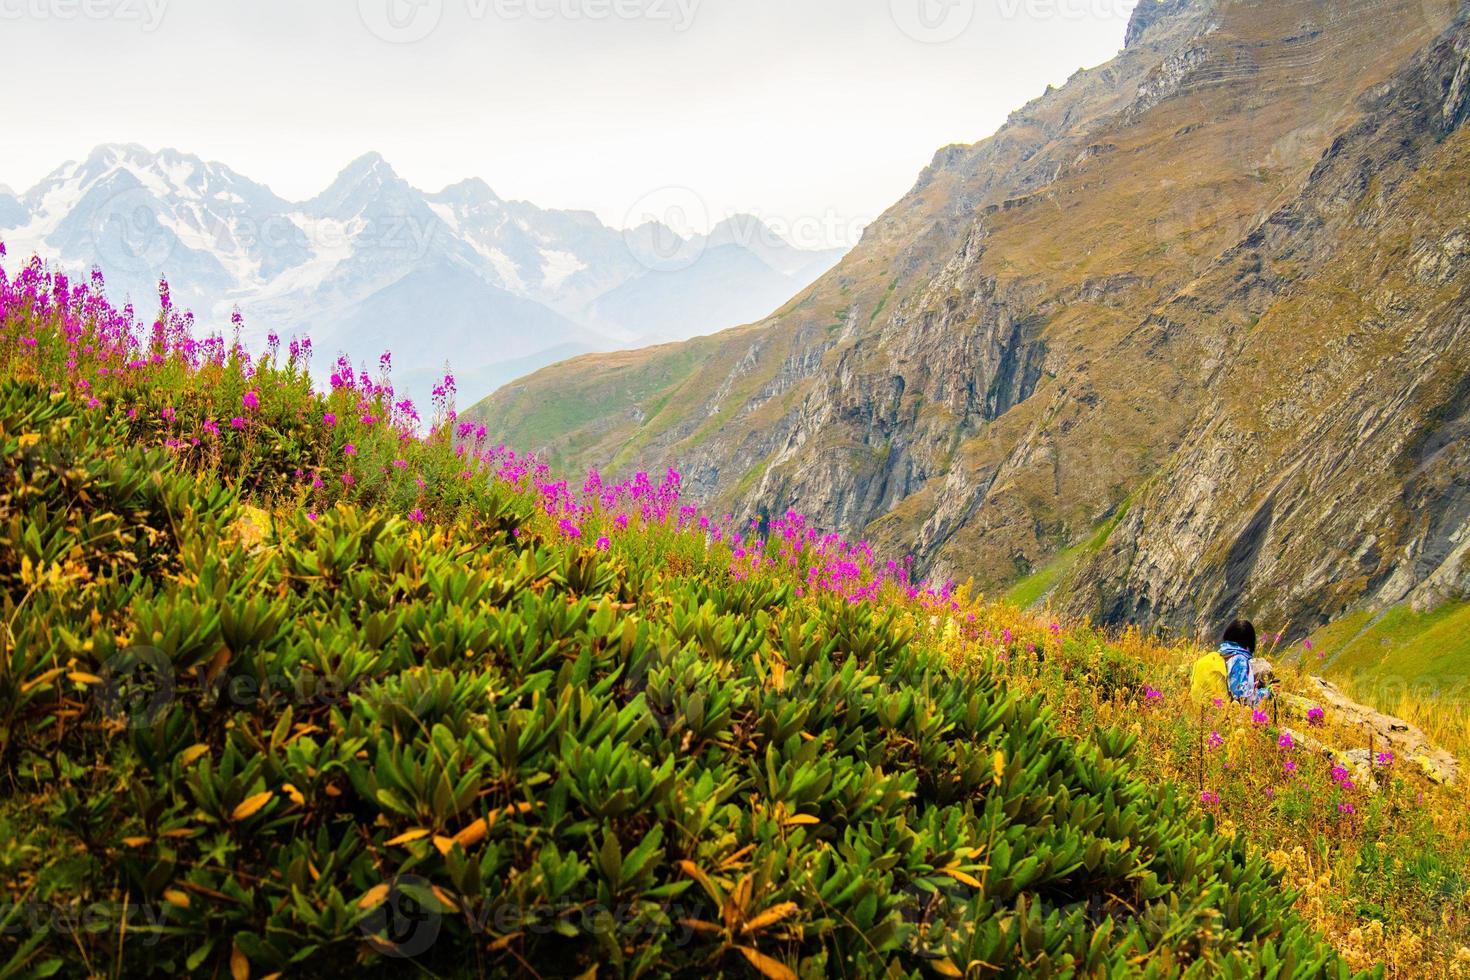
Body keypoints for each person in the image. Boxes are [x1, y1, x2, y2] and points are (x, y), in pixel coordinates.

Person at [1220, 619, 1271, 706]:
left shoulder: (1223, 653)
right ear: (1249, 641)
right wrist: (1268, 692)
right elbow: (1242, 697)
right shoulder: (1240, 660)